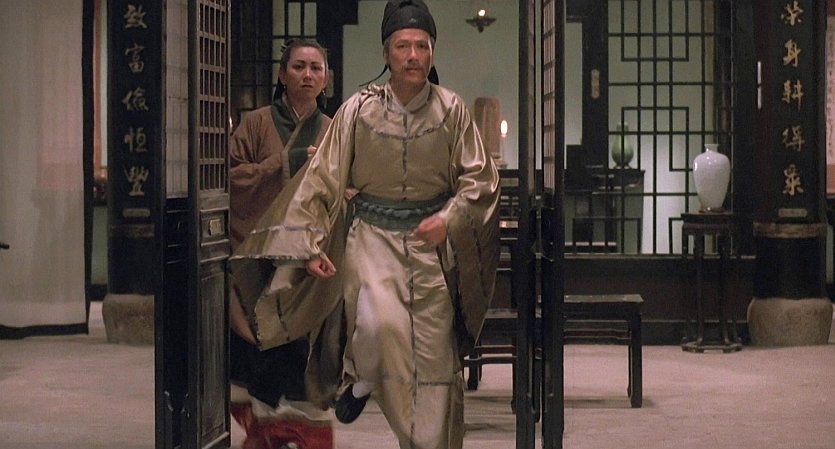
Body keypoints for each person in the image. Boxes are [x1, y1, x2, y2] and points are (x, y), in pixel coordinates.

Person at [231, 1, 500, 447]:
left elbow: (481, 180)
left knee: (435, 365)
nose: (412, 55)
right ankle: (364, 375)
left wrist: (450, 218)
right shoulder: (359, 109)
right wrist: (310, 244)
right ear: (386, 53)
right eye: (403, 46)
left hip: (429, 248)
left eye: (422, 46)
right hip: (372, 241)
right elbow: (323, 178)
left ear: (432, 52)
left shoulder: (451, 109)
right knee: (378, 329)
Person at [227, 38, 335, 449]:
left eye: (315, 68)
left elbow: (345, 188)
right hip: (257, 251)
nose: (307, 75)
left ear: (326, 79)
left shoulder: (333, 129)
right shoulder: (256, 124)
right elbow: (231, 179)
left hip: (310, 257)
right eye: (298, 67)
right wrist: (286, 163)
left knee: (300, 346)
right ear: (281, 74)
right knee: (260, 343)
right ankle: (267, 429)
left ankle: (289, 429)